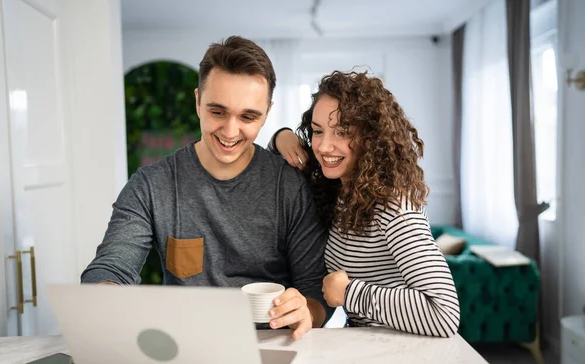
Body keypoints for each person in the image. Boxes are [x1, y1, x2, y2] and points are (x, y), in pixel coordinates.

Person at [81, 36, 333, 340]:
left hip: (274, 343)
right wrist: (107, 294)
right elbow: (110, 268)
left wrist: (306, 310)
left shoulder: (290, 187)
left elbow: (316, 294)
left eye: (248, 116)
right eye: (217, 111)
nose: (230, 131)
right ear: (198, 101)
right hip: (184, 347)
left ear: (267, 113)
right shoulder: (151, 185)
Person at [269, 70, 460, 337]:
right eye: (317, 131)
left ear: (370, 138)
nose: (324, 146)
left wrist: (350, 293)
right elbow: (279, 168)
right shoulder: (340, 192)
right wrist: (281, 137)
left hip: (406, 356)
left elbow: (444, 314)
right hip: (367, 347)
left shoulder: (394, 207)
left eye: (342, 132)